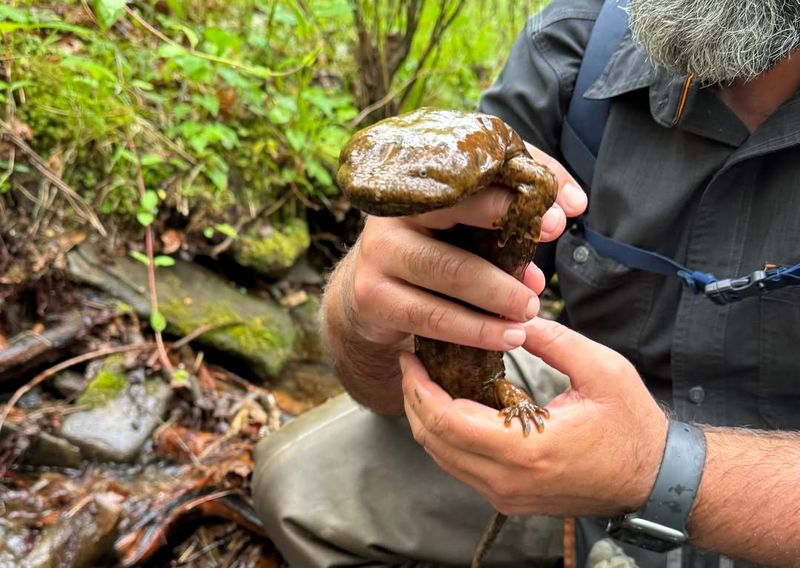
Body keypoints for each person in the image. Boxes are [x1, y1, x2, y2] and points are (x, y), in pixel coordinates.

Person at [251, 0, 800, 565]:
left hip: (768, 501)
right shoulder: (576, 47)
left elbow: (662, 470)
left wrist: (659, 470)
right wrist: (363, 306)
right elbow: (387, 386)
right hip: (570, 416)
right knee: (297, 484)